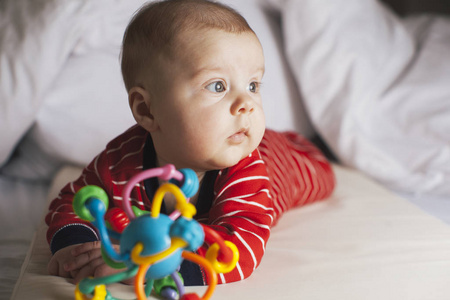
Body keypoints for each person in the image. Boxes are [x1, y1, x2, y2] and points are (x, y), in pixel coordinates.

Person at [46, 0, 335, 287]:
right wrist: (75, 245)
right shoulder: (121, 160)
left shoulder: (246, 173)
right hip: (243, 141)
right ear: (146, 110)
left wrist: (147, 267)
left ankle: (305, 143)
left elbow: (239, 251)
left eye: (253, 85)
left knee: (320, 174)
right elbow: (74, 200)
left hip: (278, 159)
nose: (246, 103)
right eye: (217, 86)